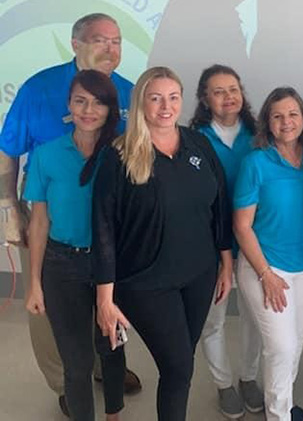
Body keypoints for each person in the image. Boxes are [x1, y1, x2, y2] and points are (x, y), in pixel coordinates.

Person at [0, 12, 140, 416]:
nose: (110, 48)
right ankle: (65, 378)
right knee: (51, 313)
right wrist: (9, 208)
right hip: (50, 219)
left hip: (109, 229)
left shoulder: (130, 92)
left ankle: (103, 368)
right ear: (76, 43)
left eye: (116, 41)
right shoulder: (40, 88)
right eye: (100, 39)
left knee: (108, 303)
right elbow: (9, 149)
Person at [92, 66, 232, 421]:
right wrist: (104, 298)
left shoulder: (197, 143)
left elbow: (220, 203)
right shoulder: (119, 155)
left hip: (199, 274)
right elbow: (104, 228)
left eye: (173, 97)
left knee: (182, 361)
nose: (165, 107)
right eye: (155, 98)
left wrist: (226, 260)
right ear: (141, 103)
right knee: (178, 368)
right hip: (145, 282)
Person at [23, 69, 126, 421]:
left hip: (109, 266)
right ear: (68, 104)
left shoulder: (122, 154)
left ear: (110, 108)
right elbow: (39, 222)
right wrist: (34, 283)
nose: (88, 109)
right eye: (80, 100)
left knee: (110, 347)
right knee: (77, 362)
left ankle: (113, 413)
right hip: (61, 266)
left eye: (98, 102)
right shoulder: (47, 155)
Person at [233, 86, 303, 421]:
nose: (286, 122)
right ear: (267, 123)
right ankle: (279, 414)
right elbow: (242, 226)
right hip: (266, 266)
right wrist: (266, 274)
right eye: (278, 116)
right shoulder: (256, 162)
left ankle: (282, 403)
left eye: (293, 114)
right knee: (281, 347)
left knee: (295, 342)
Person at [189, 64, 264, 419]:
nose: (228, 97)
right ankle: (224, 386)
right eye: (218, 91)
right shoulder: (193, 139)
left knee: (254, 318)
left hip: (254, 244)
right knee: (213, 321)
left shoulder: (260, 135)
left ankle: (249, 378)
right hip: (209, 247)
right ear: (205, 98)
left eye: (233, 89)